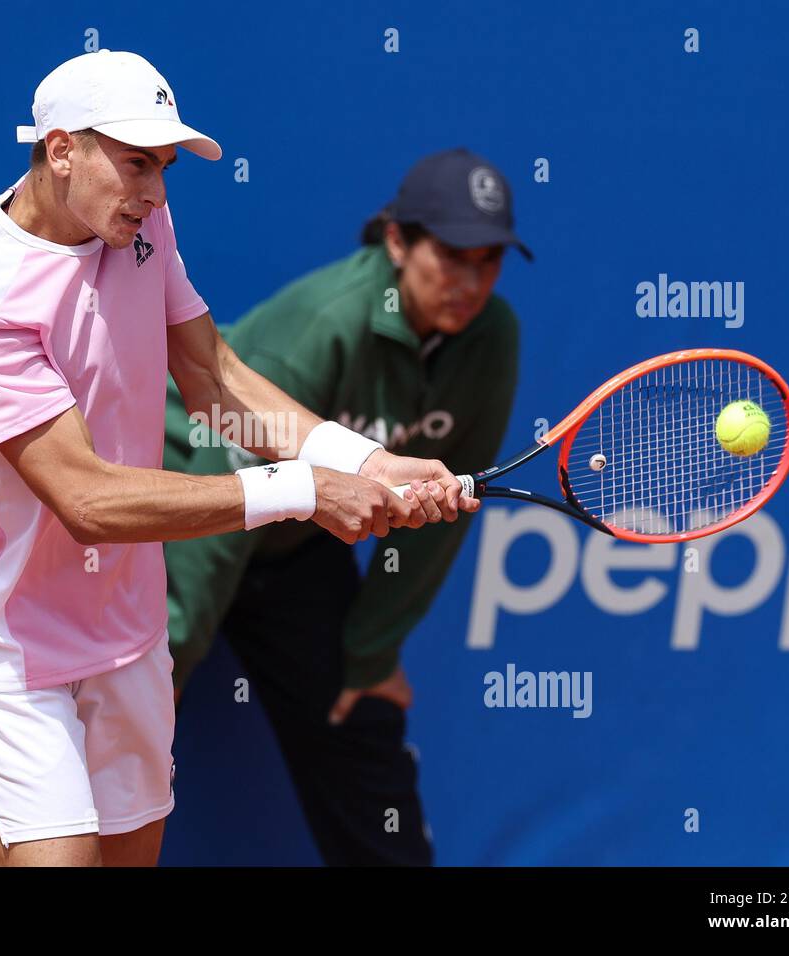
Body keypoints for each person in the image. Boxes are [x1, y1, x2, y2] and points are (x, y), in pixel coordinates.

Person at [0, 50, 478, 868]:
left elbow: (215, 378)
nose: (155, 192)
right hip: (8, 640)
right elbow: (88, 501)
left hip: (128, 627)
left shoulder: (139, 225)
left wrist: (368, 461)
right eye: (136, 163)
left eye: (165, 167)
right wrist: (301, 490)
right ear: (62, 148)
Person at [163, 148, 528, 866]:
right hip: (188, 512)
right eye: (452, 256)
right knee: (120, 746)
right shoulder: (324, 323)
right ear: (398, 240)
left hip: (295, 544)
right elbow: (216, 515)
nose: (470, 282)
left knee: (360, 716)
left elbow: (437, 527)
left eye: (489, 262)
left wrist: (370, 655)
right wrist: (160, 674)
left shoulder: (493, 340)